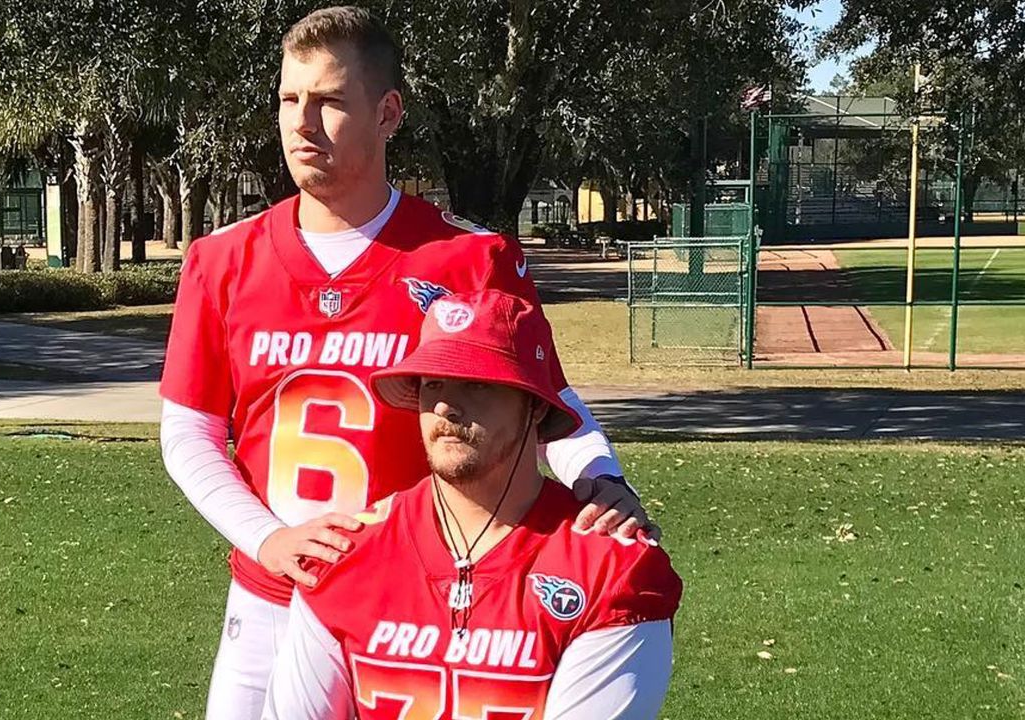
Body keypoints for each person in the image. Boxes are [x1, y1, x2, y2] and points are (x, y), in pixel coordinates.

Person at [158, 7, 658, 717]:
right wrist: (268, 539)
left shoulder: (468, 257)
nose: (302, 123)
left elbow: (544, 397)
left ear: (388, 112)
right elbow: (189, 432)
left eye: (330, 101)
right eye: (289, 100)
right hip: (270, 601)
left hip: (410, 607)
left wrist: (601, 478)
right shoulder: (221, 260)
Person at [263, 289, 682, 719]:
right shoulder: (342, 555)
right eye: (433, 384)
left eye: (478, 384)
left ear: (535, 405)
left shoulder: (611, 567)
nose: (445, 406)